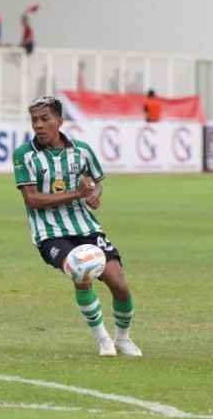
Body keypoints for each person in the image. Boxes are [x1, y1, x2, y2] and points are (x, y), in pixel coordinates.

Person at [13, 95, 141, 357]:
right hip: (50, 234)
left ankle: (123, 338)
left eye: (44, 119)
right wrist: (78, 193)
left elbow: (96, 181)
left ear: (59, 121)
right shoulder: (23, 155)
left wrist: (95, 194)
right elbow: (33, 200)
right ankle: (102, 338)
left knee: (120, 284)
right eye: (34, 120)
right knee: (82, 273)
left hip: (87, 228)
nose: (38, 125)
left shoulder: (81, 150)